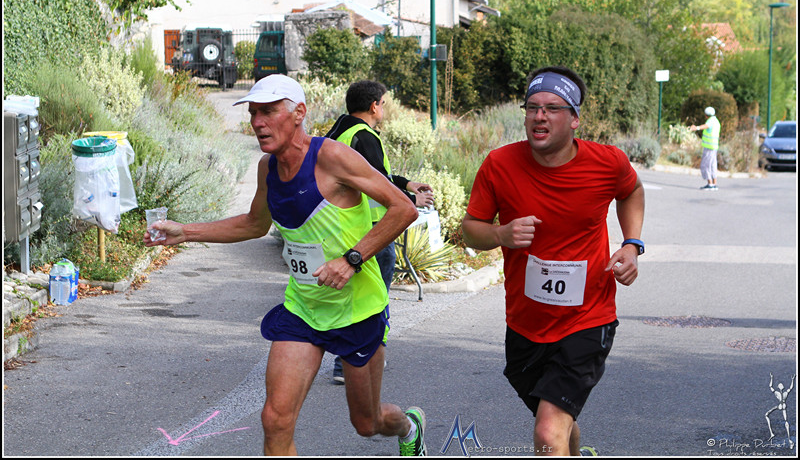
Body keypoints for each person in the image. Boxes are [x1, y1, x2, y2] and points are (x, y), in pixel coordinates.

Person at [144, 74, 427, 456]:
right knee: (275, 419)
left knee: (367, 423)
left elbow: (403, 208)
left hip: (357, 308)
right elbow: (254, 224)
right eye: (253, 113)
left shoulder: (331, 157)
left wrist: (351, 259)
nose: (257, 122)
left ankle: (409, 427)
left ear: (298, 113)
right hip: (304, 308)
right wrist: (185, 232)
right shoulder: (268, 168)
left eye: (268, 112)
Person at [461, 66, 645, 457]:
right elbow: (471, 230)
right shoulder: (499, 164)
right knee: (557, 422)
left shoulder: (607, 162)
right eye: (532, 107)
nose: (539, 116)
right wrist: (500, 234)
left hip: (588, 318)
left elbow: (631, 191)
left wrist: (631, 244)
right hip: (526, 324)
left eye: (552, 108)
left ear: (575, 119)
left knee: (547, 430)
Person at [325, 79, 434, 384]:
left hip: (344, 228)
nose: (384, 108)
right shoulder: (364, 136)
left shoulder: (341, 132)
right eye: (383, 103)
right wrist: (411, 199)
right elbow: (378, 184)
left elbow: (377, 175)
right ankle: (354, 362)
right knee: (374, 299)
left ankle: (350, 360)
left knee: (354, 298)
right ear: (374, 106)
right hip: (373, 230)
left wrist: (407, 183)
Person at [689, 107, 720, 190]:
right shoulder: (716, 121)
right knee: (713, 165)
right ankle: (714, 184)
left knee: (706, 165)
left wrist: (696, 128)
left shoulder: (711, 121)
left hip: (709, 146)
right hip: (714, 146)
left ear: (706, 115)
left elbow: (706, 126)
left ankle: (710, 184)